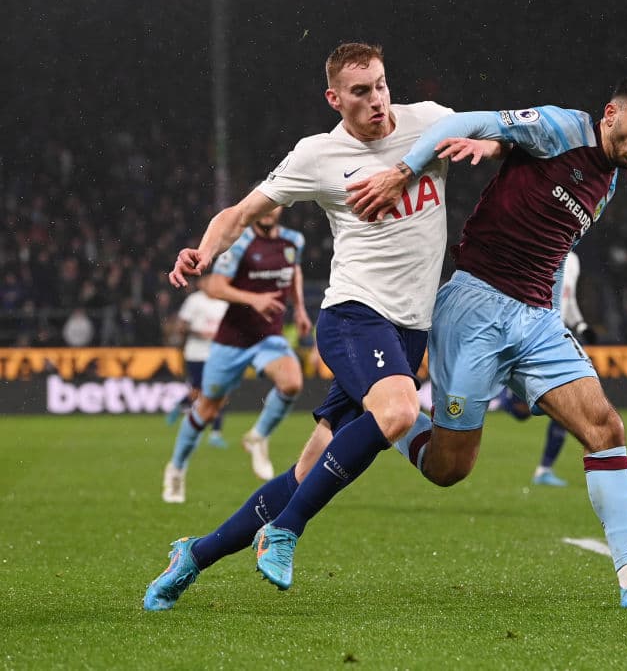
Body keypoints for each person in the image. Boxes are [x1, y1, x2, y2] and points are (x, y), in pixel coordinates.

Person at [251, 77, 627, 608]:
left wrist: (557, 314)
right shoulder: (563, 127)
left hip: (537, 321)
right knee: (450, 468)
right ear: (611, 113)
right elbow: (462, 122)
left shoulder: (605, 184)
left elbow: (558, 248)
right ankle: (385, 414)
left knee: (605, 426)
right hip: (476, 309)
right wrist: (406, 171)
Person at [143, 42, 504, 608]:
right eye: (360, 91)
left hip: (408, 331)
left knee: (307, 471)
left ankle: (194, 554)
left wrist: (488, 142)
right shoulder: (317, 155)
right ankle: (285, 531)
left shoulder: (430, 121)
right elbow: (239, 213)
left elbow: (503, 130)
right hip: (354, 316)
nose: (377, 99)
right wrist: (204, 250)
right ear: (335, 99)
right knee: (401, 410)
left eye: (381, 84)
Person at [159, 204, 311, 503]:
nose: (268, 212)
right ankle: (176, 468)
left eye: (275, 206)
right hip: (233, 340)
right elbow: (213, 285)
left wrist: (301, 309)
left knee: (292, 382)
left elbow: (294, 272)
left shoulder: (294, 240)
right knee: (207, 409)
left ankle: (257, 437)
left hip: (269, 336)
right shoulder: (240, 242)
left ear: (282, 208)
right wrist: (253, 299)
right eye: (265, 206)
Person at [497, 250, 592, 487]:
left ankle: (544, 470)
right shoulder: (541, 245)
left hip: (557, 337)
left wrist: (581, 325)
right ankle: (499, 394)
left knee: (571, 403)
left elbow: (568, 302)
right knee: (521, 412)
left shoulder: (574, 260)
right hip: (530, 333)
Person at [165, 274, 230, 450]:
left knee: (221, 393)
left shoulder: (224, 304)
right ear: (203, 284)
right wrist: (201, 333)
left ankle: (216, 434)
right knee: (199, 392)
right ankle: (181, 406)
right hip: (196, 354)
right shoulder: (194, 301)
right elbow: (181, 326)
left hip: (217, 354)